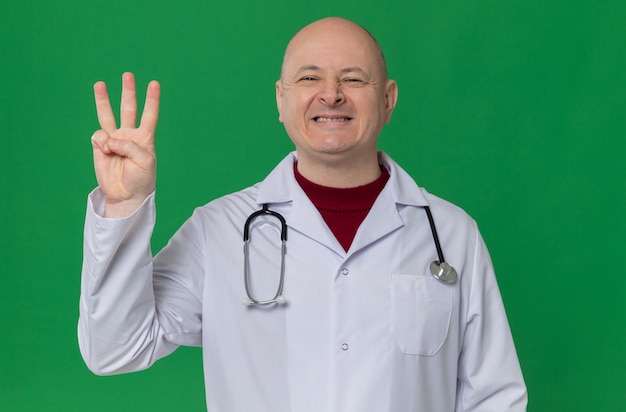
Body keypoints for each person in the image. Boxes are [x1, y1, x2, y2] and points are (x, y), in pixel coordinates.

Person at [79, 17, 527, 411]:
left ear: (388, 100)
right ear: (280, 99)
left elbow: (494, 397)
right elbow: (115, 350)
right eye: (309, 78)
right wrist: (122, 206)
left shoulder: (450, 234)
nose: (330, 96)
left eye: (353, 79)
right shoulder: (219, 230)